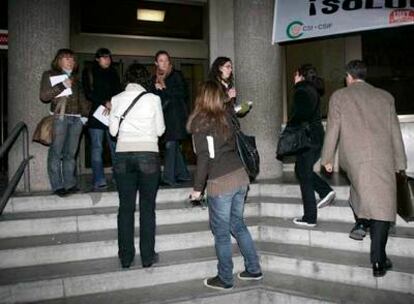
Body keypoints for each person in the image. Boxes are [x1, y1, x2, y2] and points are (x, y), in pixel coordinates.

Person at [321, 60, 407, 277]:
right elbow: (395, 133)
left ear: (349, 76)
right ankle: (378, 259)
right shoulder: (386, 96)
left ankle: (362, 224)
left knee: (363, 194)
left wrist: (327, 158)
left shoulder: (339, 96)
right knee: (383, 207)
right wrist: (401, 163)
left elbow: (333, 129)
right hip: (384, 158)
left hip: (356, 159)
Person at [187, 80, 262, 290]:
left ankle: (225, 278)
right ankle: (254, 269)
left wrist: (196, 190)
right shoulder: (226, 116)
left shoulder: (202, 122)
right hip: (240, 176)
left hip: (221, 181)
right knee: (237, 224)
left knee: (221, 233)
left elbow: (204, 159)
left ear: (202, 98)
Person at [109, 63, 165, 269]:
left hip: (123, 155)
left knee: (125, 208)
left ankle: (126, 257)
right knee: (147, 208)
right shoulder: (153, 99)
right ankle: (148, 257)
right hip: (148, 155)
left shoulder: (116, 99)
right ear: (145, 80)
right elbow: (160, 130)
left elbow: (113, 132)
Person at [289, 64, 335, 227]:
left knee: (304, 175)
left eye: (295, 75)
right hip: (316, 136)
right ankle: (325, 190)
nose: (293, 78)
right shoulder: (312, 89)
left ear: (300, 75)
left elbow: (300, 115)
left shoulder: (301, 90)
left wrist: (289, 132)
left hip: (307, 138)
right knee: (301, 170)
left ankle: (310, 217)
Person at [39, 48, 90, 197]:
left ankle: (70, 184)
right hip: (60, 117)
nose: (71, 61)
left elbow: (83, 99)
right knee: (56, 151)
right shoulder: (49, 75)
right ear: (59, 60)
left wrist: (84, 116)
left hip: (77, 119)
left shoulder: (76, 79)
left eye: (73, 59)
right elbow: (44, 96)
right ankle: (57, 186)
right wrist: (62, 85)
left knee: (71, 154)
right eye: (67, 58)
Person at [82, 48, 121, 191]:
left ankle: (118, 177)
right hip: (96, 115)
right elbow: (88, 92)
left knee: (115, 148)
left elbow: (118, 91)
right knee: (97, 148)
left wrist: (113, 103)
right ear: (97, 59)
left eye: (109, 57)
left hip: (112, 114)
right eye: (104, 57)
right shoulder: (89, 72)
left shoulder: (113, 72)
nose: (107, 60)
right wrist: (105, 102)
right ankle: (99, 179)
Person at [150, 50, 191, 186]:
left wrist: (163, 88)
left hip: (175, 117)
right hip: (162, 117)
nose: (165, 63)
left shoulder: (176, 75)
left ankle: (168, 177)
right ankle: (183, 174)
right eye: (161, 60)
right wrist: (157, 89)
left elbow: (183, 93)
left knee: (170, 145)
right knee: (173, 147)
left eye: (167, 60)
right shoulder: (154, 78)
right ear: (156, 63)